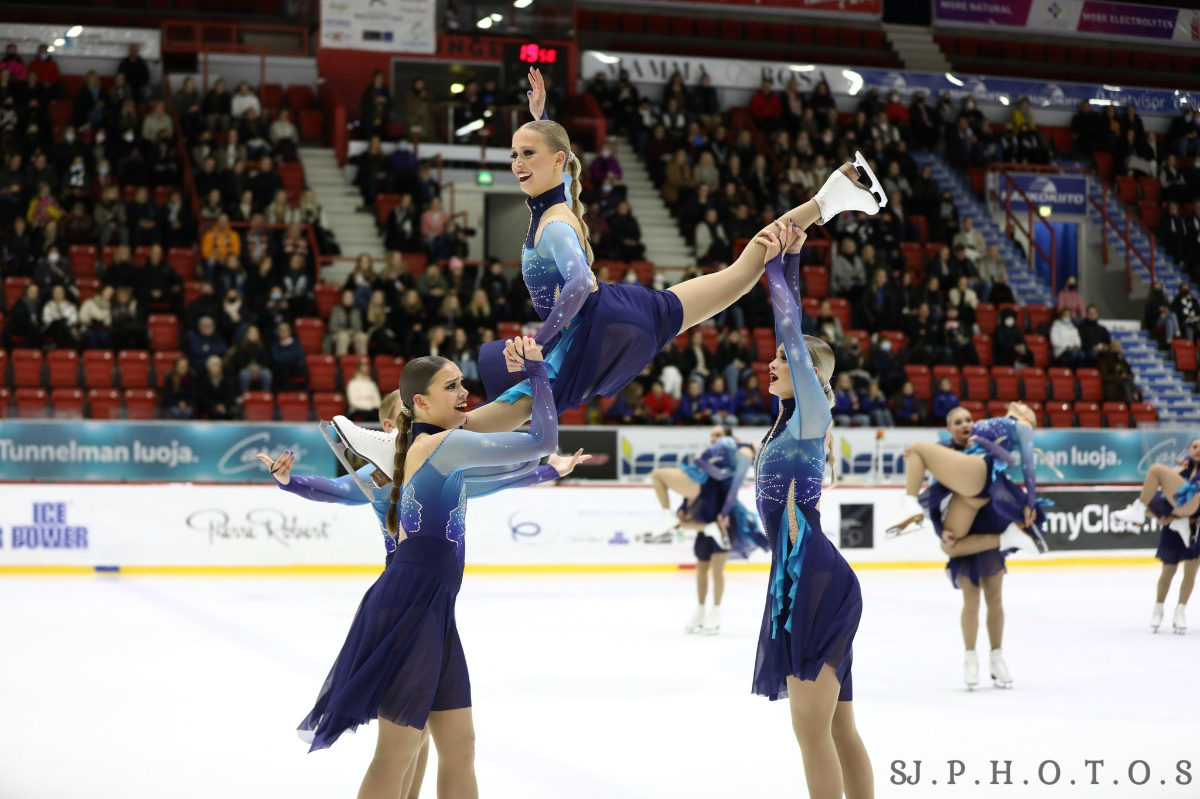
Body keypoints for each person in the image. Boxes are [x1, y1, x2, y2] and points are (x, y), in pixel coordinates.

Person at [469, 115, 885, 436]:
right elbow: (557, 164)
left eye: (527, 154)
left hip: (599, 329)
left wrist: (538, 344)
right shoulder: (556, 201)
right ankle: (830, 197)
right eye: (514, 154)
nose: (517, 163)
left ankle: (434, 438)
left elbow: (578, 283)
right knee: (742, 273)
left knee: (507, 405)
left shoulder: (555, 225)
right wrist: (540, 118)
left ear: (557, 160)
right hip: (620, 314)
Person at [286, 340, 559, 798]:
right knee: (398, 751)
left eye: (462, 383)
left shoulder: (438, 444)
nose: (464, 392)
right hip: (410, 604)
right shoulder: (441, 445)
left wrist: (545, 465)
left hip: (434, 608)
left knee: (460, 745)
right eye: (451, 386)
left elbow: (518, 456)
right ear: (421, 402)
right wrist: (537, 373)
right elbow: (542, 441)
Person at [744, 221, 872, 799]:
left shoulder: (812, 416)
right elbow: (791, 332)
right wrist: (792, 258)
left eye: (782, 362)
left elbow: (791, 331)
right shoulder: (787, 424)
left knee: (812, 731)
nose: (771, 365)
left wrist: (776, 265)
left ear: (811, 377)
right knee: (837, 728)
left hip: (813, 574)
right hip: (801, 573)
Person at [916, 407, 1020, 688]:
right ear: (949, 429)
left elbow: (1006, 479)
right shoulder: (945, 457)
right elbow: (934, 499)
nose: (965, 424)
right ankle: (970, 658)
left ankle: (997, 658)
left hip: (989, 526)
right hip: (963, 534)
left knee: (995, 598)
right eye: (958, 421)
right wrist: (941, 531)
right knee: (971, 599)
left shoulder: (988, 449)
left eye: (969, 420)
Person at [649, 425, 766, 634]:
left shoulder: (738, 454)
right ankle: (700, 609)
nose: (714, 438)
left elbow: (730, 487)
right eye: (712, 435)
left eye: (718, 435)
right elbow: (698, 487)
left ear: (728, 438)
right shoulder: (716, 456)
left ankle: (716, 611)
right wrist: (684, 507)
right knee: (701, 566)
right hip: (707, 509)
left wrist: (724, 512)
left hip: (724, 515)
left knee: (717, 569)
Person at [1112, 438, 1200, 635]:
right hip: (1174, 523)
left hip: (1195, 526)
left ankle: (1180, 612)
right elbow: (1162, 501)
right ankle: (1158, 609)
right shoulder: (1178, 472)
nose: (1198, 450)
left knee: (1190, 572)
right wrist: (1165, 517)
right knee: (1168, 571)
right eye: (1195, 447)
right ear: (1188, 450)